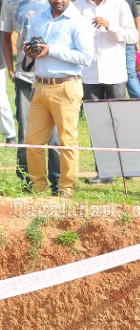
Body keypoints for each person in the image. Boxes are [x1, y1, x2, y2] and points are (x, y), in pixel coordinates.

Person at [23, 0, 94, 198]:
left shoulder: (79, 22)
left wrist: (51, 49)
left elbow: (86, 58)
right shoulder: (37, 19)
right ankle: (38, 188)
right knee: (33, 141)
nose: (59, 0)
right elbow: (32, 50)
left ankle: (66, 189)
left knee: (67, 140)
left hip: (66, 86)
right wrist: (30, 51)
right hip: (40, 86)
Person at [74, 0, 137, 185]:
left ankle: (126, 167)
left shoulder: (119, 4)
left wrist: (110, 26)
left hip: (115, 73)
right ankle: (104, 172)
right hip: (89, 74)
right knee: (97, 126)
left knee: (120, 123)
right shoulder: (77, 6)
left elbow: (133, 36)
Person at [1, 0, 61, 193]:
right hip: (24, 77)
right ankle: (27, 180)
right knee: (26, 132)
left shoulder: (55, 3)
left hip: (52, 76)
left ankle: (57, 182)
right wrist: (11, 68)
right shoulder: (10, 3)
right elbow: (6, 36)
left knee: (55, 135)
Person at [124, 0, 140, 99]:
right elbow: (138, 19)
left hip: (110, 43)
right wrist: (136, 40)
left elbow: (137, 19)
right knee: (130, 74)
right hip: (128, 41)